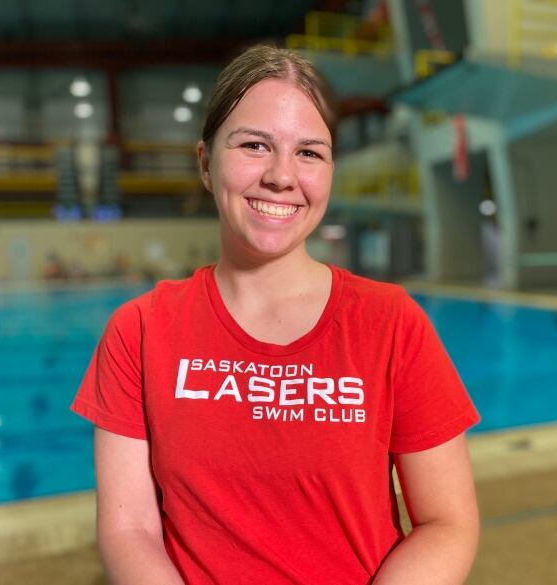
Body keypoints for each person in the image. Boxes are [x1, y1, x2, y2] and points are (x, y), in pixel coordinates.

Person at [71, 45, 480, 585]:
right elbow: (131, 532)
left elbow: (447, 522)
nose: (282, 176)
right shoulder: (141, 332)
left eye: (309, 153)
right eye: (255, 145)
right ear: (205, 161)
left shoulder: (392, 323)